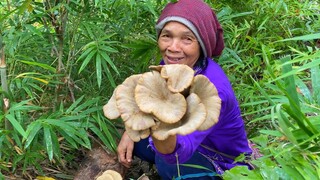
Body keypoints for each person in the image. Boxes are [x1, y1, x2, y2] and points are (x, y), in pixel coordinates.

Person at [117, 0, 253, 179]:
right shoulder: (172, 65)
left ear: (202, 44)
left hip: (223, 163)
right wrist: (130, 131)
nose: (173, 48)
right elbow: (150, 96)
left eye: (187, 39)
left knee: (169, 164)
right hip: (180, 139)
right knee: (136, 142)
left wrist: (159, 133)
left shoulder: (214, 90)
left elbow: (179, 151)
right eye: (167, 36)